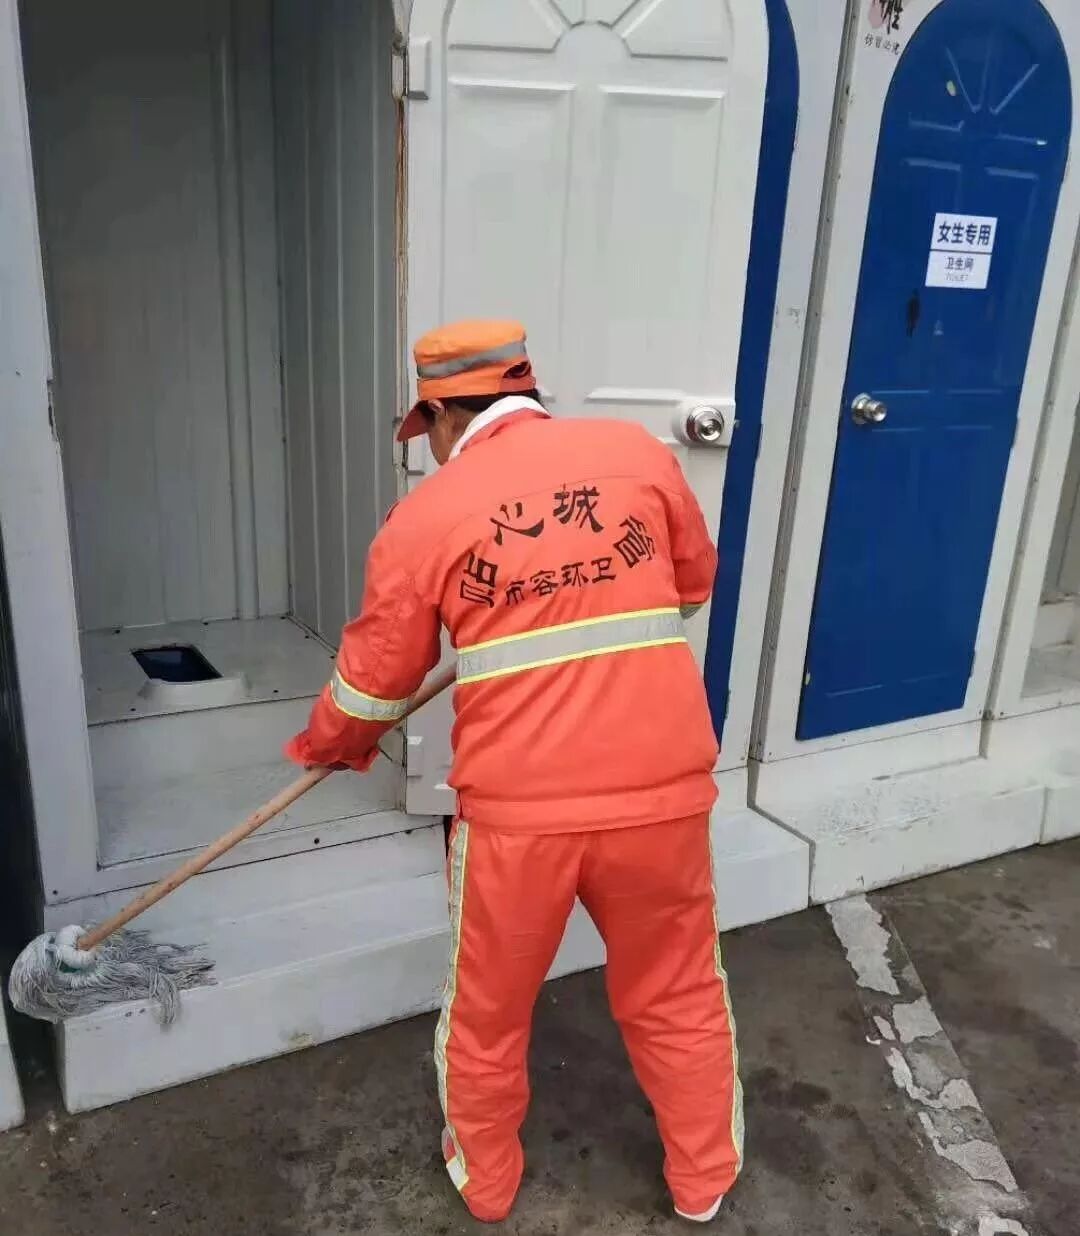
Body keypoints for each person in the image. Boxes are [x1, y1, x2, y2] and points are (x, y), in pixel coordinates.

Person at [286, 320, 743, 1224]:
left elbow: (375, 682)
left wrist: (329, 744)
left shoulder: (427, 517)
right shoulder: (638, 457)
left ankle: (487, 1183)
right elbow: (692, 586)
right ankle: (704, 1181)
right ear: (526, 391)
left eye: (426, 430)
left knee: (488, 1012)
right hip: (662, 800)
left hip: (518, 824)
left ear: (442, 414)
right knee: (678, 989)